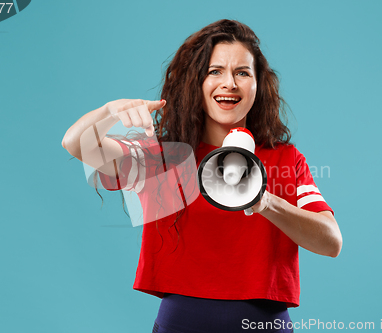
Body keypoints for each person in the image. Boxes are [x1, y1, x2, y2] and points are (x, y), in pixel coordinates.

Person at [62, 19, 342, 333]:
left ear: (258, 84)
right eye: (215, 71)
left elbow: (331, 242)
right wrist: (110, 110)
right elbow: (75, 143)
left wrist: (264, 202)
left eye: (242, 73)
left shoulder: (284, 159)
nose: (229, 84)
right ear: (197, 82)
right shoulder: (164, 157)